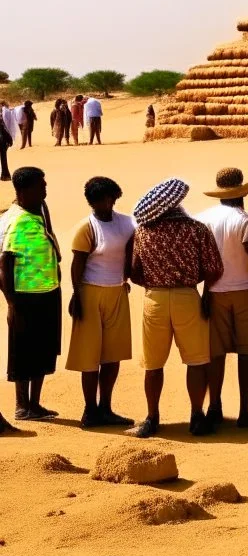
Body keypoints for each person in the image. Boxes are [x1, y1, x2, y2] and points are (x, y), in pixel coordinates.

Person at [128, 177, 223, 437]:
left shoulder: (144, 231)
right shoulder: (197, 229)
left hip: (155, 299)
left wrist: (155, 282)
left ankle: (152, 418)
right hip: (188, 298)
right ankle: (196, 415)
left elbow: (134, 272)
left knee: (153, 364)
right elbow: (214, 268)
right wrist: (203, 293)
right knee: (196, 361)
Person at [197, 166, 248, 429]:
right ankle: (244, 412)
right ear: (242, 191)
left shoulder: (203, 219)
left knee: (216, 354)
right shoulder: (247, 221)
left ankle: (215, 406)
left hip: (214, 292)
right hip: (244, 289)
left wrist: (204, 290)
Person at [65, 176, 135, 427]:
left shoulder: (127, 223)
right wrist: (77, 294)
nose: (103, 204)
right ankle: (90, 410)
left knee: (112, 354)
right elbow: (78, 264)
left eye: (106, 199)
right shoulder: (86, 227)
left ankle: (105, 407)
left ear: (113, 197)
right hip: (90, 293)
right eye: (96, 201)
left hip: (117, 291)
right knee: (89, 356)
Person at [0, 167, 61, 420]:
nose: (45, 189)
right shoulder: (18, 220)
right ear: (23, 191)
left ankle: (35, 404)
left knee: (44, 350)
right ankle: (22, 406)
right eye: (40, 186)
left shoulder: (35, 211)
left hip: (46, 292)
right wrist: (12, 303)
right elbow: (5, 264)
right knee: (24, 352)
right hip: (26, 298)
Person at [0, 104, 14, 181]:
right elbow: (4, 131)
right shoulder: (1, 121)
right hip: (1, 142)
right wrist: (10, 140)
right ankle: (5, 175)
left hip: (2, 141)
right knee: (3, 159)